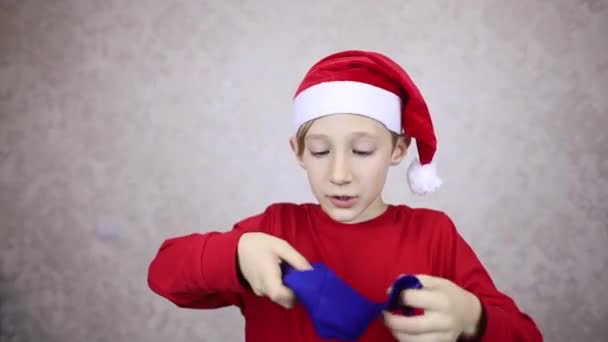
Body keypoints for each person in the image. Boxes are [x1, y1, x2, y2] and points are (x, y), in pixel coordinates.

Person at [147, 50, 543, 341]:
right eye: (320, 152)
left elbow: (527, 336)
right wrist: (235, 254)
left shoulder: (433, 234)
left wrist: (475, 320)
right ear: (298, 153)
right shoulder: (273, 230)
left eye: (362, 151)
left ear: (398, 150)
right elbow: (164, 274)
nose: (339, 174)